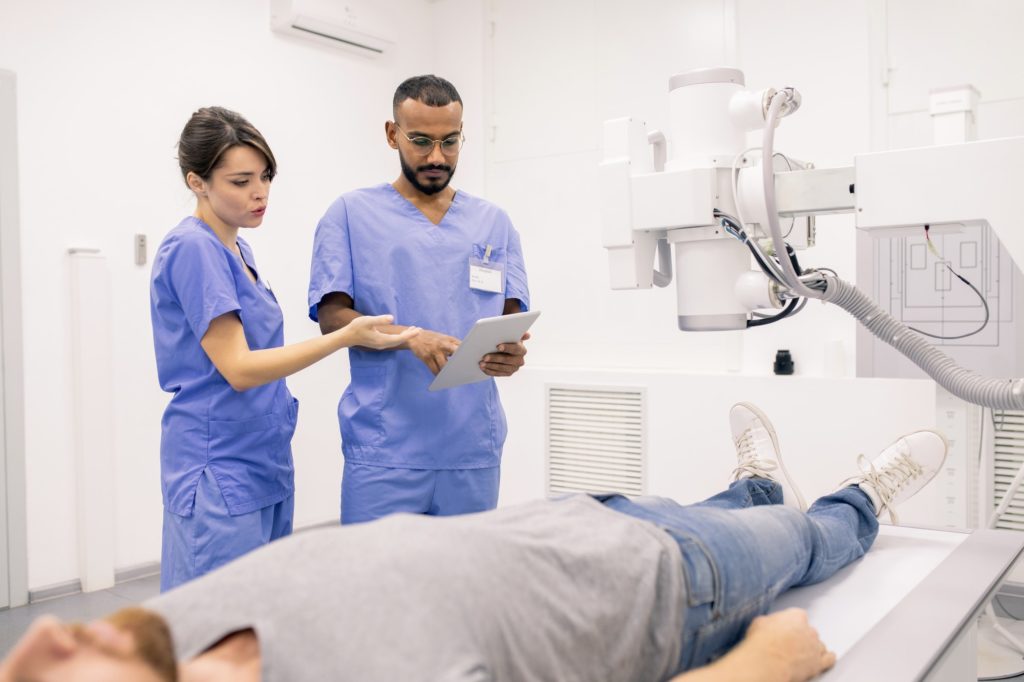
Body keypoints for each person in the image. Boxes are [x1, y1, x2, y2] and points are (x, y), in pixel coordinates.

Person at [0, 403, 948, 681]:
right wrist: (765, 667)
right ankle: (860, 497)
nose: (44, 642)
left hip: (571, 518)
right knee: (801, 538)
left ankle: (751, 482)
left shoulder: (155, 637)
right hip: (665, 587)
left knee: (727, 505)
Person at [150, 107, 419, 592]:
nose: (260, 192)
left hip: (261, 456)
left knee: (260, 619)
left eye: (266, 177)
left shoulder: (238, 251)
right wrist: (344, 336)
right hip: (218, 465)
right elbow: (238, 368)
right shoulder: (193, 249)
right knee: (214, 630)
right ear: (197, 182)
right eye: (241, 181)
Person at [307, 74, 531, 524]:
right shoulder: (351, 214)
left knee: (464, 588)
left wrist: (512, 353)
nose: (436, 156)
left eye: (450, 142)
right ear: (392, 135)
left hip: (471, 446)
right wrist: (410, 336)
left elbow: (511, 316)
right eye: (421, 140)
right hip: (386, 447)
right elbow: (332, 318)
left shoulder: (493, 222)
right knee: (379, 588)